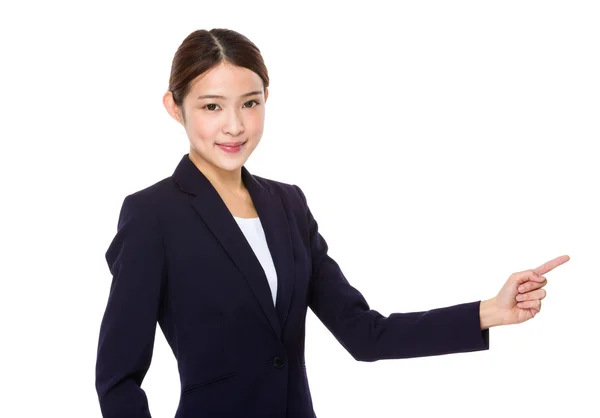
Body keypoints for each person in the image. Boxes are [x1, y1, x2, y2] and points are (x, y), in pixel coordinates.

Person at [94, 28, 570, 418]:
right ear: (174, 107)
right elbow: (118, 380)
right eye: (212, 106)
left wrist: (490, 311)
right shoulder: (152, 215)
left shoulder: (287, 205)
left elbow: (364, 334)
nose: (235, 126)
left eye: (251, 103)